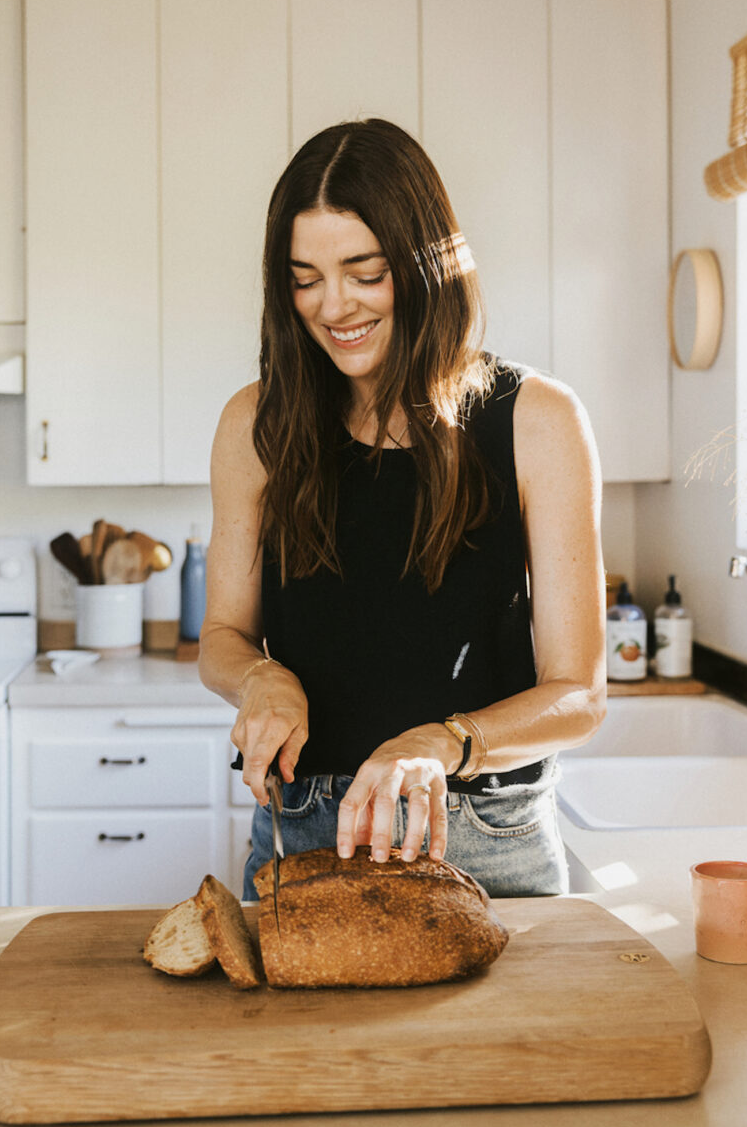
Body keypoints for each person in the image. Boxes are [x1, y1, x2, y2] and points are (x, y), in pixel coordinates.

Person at [198, 118, 606, 901]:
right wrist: (258, 677)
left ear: (425, 265)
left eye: (365, 271)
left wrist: (445, 742)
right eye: (304, 277)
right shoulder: (256, 425)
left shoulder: (537, 419)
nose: (333, 305)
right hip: (303, 826)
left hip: (484, 833)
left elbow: (578, 694)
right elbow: (221, 635)